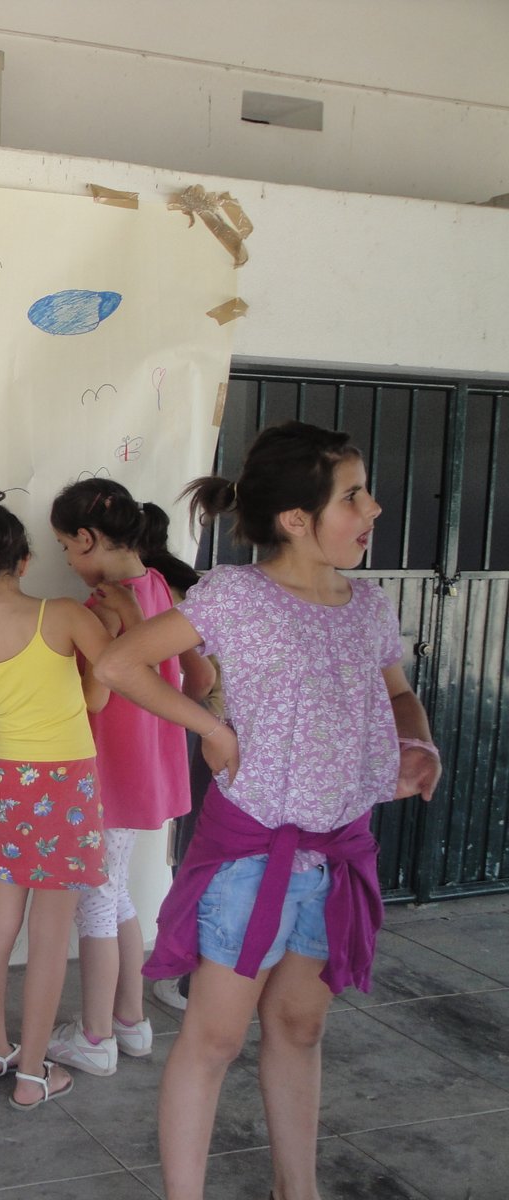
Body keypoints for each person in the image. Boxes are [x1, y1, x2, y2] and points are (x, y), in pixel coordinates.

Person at [95, 420, 440, 1200]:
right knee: (215, 1038)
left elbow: (398, 695)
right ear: (295, 518)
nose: (373, 509)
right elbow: (120, 663)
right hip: (251, 861)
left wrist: (418, 744)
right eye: (353, 496)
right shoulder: (238, 596)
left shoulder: (368, 606)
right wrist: (211, 728)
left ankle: (297, 1190)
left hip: (338, 855)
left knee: (300, 1027)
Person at [0, 493, 112, 1110]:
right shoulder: (63, 616)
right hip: (68, 789)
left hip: (8, 790)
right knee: (49, 937)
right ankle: (34, 1074)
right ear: (26, 560)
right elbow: (104, 688)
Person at [45, 479, 215, 1076]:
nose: (67, 560)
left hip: (108, 773)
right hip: (150, 770)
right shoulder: (162, 586)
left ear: (87, 538)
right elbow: (201, 680)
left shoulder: (102, 609)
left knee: (97, 896)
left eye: (65, 546)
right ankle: (130, 1022)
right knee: (114, 890)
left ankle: (96, 1037)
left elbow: (90, 698)